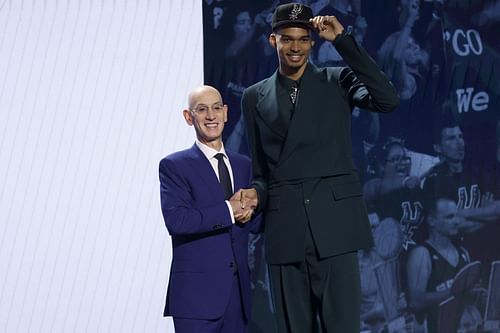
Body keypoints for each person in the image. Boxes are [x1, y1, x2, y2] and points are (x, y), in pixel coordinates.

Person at [236, 3, 399, 332]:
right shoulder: (254, 97)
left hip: (334, 226)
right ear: (273, 41)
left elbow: (387, 100)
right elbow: (262, 173)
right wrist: (256, 194)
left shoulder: (337, 79)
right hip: (286, 229)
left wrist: (343, 42)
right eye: (287, 39)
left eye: (303, 39)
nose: (295, 47)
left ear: (312, 42)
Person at [159, 85, 259, 333]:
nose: (211, 116)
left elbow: (254, 223)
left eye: (216, 108)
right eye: (202, 110)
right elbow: (178, 220)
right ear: (188, 117)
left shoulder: (244, 165)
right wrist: (229, 210)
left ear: (226, 113)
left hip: (238, 296)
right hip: (196, 299)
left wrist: (255, 207)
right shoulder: (174, 166)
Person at [406, 194, 472, 333]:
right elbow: (415, 302)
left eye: (456, 216)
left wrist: (475, 294)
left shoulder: (463, 253)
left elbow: (466, 301)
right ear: (431, 220)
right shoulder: (422, 254)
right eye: (449, 217)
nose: (456, 222)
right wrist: (455, 292)